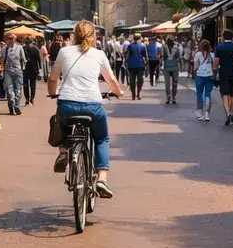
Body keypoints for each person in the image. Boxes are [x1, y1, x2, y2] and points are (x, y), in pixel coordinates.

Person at [49, 19, 123, 197]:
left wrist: (53, 93)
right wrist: (118, 92)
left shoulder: (64, 51)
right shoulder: (98, 54)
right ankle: (102, 179)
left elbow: (53, 79)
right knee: (101, 139)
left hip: (67, 103)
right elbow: (110, 80)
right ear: (93, 36)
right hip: (93, 105)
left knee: (58, 122)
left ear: (74, 35)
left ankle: (63, 151)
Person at [1, 32, 26, 115]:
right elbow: (2, 60)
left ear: (15, 40)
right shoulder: (5, 48)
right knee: (9, 90)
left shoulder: (19, 48)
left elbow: (23, 59)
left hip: (17, 71)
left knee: (18, 89)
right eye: (9, 39)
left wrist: (22, 69)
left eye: (12, 39)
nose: (11, 40)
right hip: (8, 71)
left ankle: (17, 106)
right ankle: (11, 107)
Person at [193, 39, 215, 121]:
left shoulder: (198, 54)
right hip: (209, 76)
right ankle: (207, 114)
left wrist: (194, 71)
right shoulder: (212, 55)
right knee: (208, 94)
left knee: (199, 93)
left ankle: (200, 111)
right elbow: (214, 67)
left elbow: (195, 66)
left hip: (200, 76)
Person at [125, 33, 146, 99]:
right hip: (140, 65)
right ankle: (138, 94)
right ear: (140, 38)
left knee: (132, 80)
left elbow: (127, 56)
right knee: (140, 80)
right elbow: (146, 56)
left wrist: (126, 62)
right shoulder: (143, 46)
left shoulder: (130, 46)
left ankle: (133, 95)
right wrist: (146, 64)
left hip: (131, 65)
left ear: (133, 38)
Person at [23, 37, 42, 105]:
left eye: (28, 42)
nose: (27, 43)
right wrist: (40, 69)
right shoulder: (24, 48)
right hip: (29, 69)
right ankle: (29, 99)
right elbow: (39, 60)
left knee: (30, 85)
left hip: (31, 69)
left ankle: (30, 99)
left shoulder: (34, 49)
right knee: (29, 85)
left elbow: (39, 60)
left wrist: (40, 69)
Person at [163, 37, 181, 105]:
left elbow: (163, 57)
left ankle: (168, 96)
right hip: (175, 67)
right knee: (174, 83)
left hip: (167, 67)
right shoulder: (177, 48)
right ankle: (174, 97)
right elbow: (178, 57)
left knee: (167, 83)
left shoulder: (164, 47)